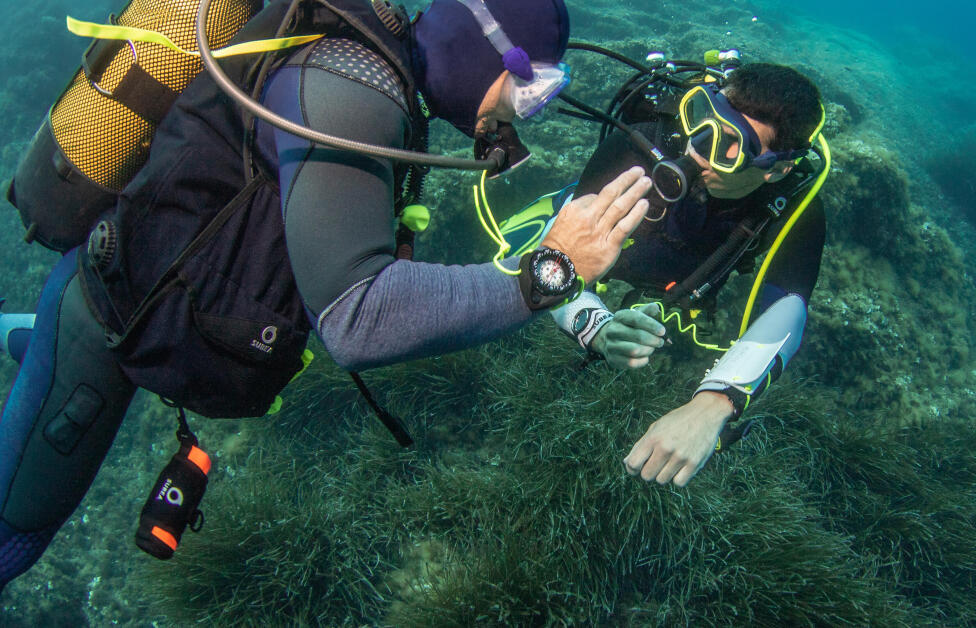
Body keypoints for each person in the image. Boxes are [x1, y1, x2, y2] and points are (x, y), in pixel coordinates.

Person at [0, 0, 651, 591]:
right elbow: (356, 319)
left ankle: (23, 336)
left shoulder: (376, 71)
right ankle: (41, 347)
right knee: (15, 539)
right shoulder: (353, 88)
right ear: (486, 49)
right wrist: (546, 273)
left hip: (155, 303)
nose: (524, 112)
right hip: (105, 326)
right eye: (532, 86)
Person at [508, 62, 828, 488]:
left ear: (777, 168)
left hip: (681, 279)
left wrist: (715, 404)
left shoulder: (794, 204)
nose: (698, 148)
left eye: (731, 144)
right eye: (704, 120)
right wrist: (598, 329)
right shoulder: (639, 146)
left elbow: (789, 306)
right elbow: (555, 260)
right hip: (612, 252)